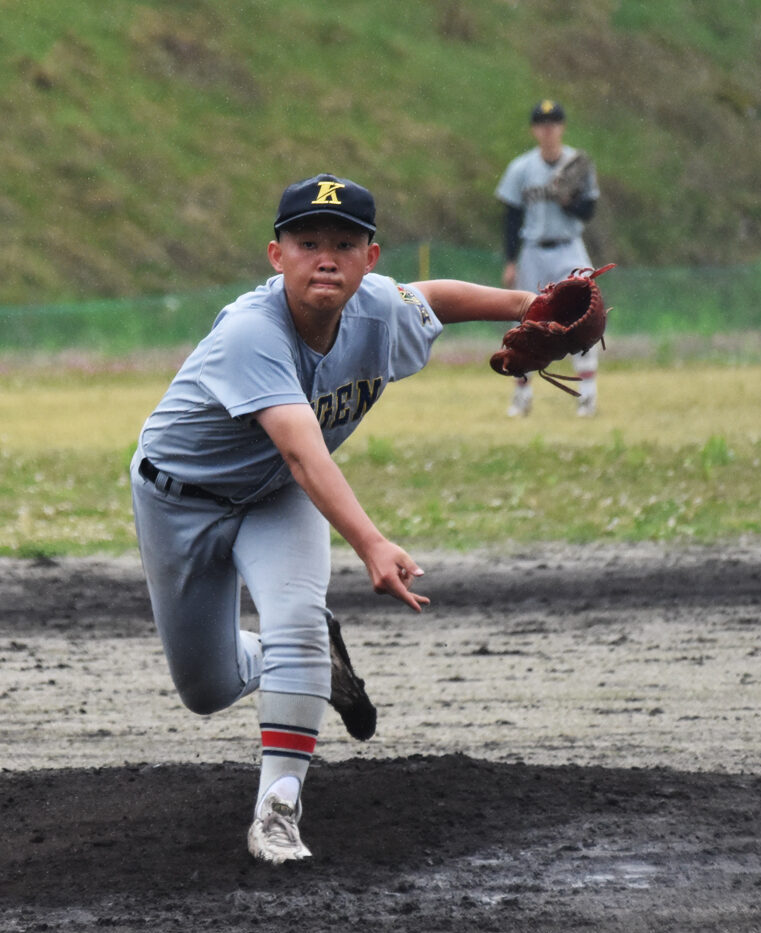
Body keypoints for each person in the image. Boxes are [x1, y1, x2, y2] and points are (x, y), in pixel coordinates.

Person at [130, 173, 542, 864]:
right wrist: (372, 543)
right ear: (276, 255)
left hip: (276, 496)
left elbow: (434, 300)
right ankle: (309, 660)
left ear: (370, 260)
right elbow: (301, 452)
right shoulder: (250, 332)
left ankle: (277, 811)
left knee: (294, 617)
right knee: (207, 688)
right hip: (180, 499)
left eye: (345, 245)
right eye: (308, 243)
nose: (326, 258)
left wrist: (526, 305)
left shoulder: (378, 309)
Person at [495, 99, 603, 417]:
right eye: (542, 124)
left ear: (562, 127)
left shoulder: (576, 163)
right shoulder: (521, 168)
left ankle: (587, 394)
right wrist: (510, 260)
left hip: (570, 248)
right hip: (532, 251)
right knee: (525, 321)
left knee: (585, 318)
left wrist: (569, 201)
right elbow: (511, 217)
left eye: (553, 123)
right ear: (534, 130)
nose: (548, 130)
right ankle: (522, 395)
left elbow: (589, 210)